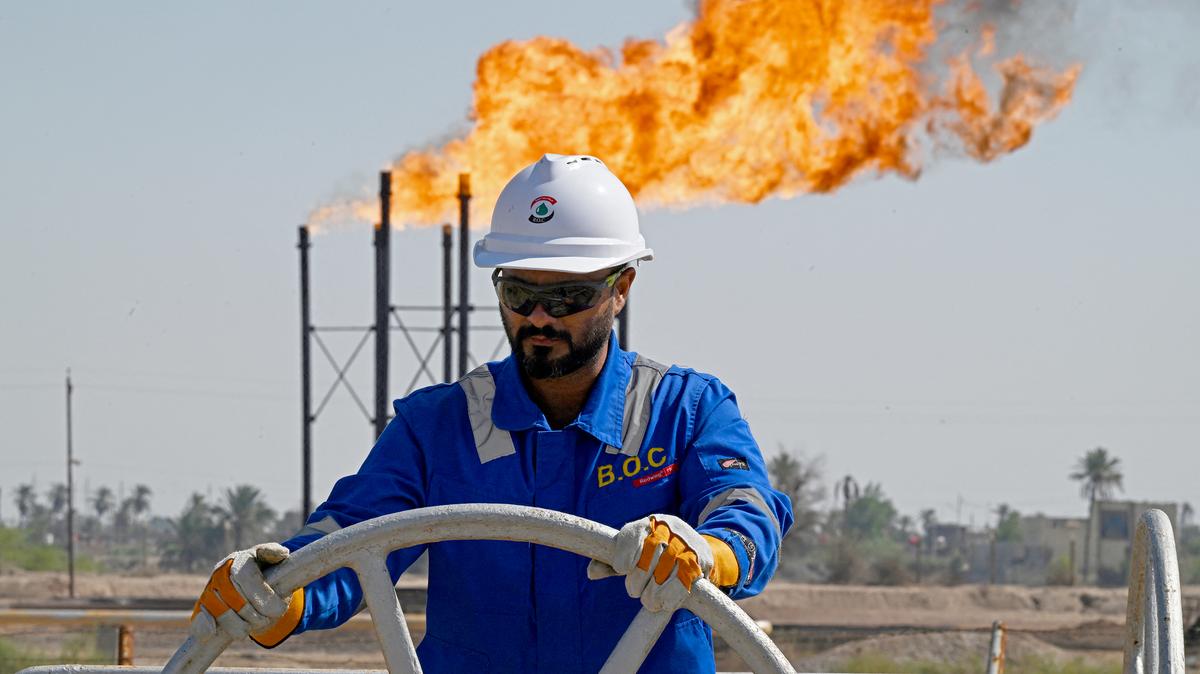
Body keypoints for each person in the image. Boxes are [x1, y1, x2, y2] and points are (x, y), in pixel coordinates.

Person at [190, 154, 793, 673]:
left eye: (567, 297)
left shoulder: (685, 412)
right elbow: (347, 538)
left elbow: (743, 507)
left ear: (622, 286)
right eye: (519, 294)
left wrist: (707, 552)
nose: (538, 318)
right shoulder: (436, 430)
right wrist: (278, 591)